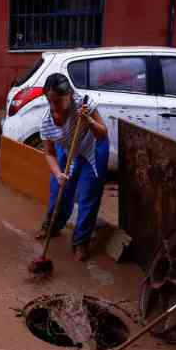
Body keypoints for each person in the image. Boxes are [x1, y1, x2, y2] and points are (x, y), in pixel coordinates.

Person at [30, 73, 109, 273]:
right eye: (50, 101)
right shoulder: (46, 122)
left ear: (70, 95)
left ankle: (81, 241)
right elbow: (48, 153)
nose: (54, 106)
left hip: (93, 148)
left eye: (58, 101)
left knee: (87, 195)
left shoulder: (84, 104)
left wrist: (88, 120)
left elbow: (103, 132)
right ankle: (52, 226)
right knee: (59, 189)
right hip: (68, 150)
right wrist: (58, 173)